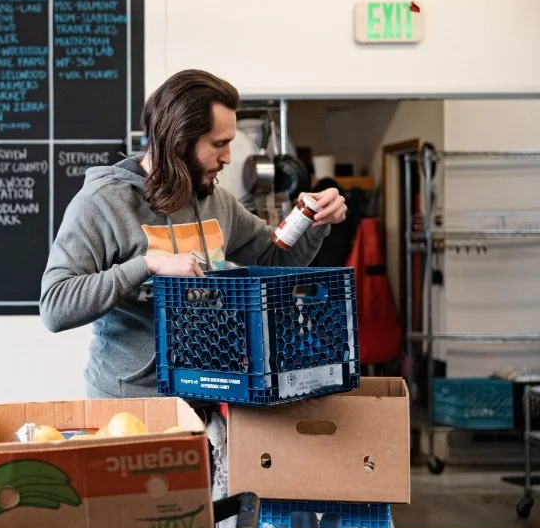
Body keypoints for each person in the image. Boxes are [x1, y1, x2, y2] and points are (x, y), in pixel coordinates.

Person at [40, 69, 348, 400]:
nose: (228, 157)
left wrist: (315, 221)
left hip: (210, 392)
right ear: (180, 140)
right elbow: (56, 306)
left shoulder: (218, 202)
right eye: (219, 144)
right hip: (132, 401)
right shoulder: (103, 203)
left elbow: (277, 260)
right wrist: (148, 265)